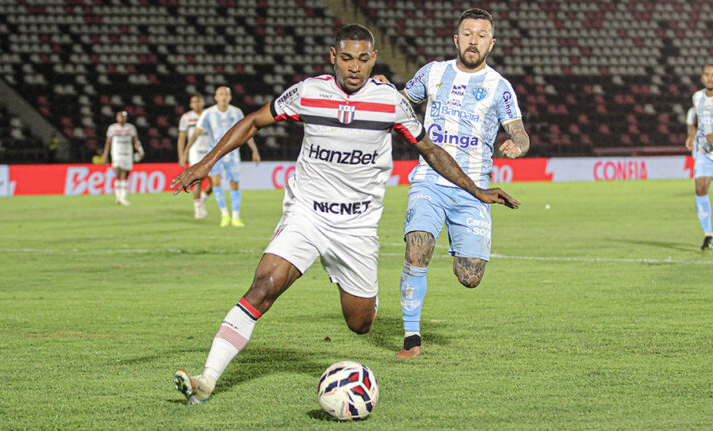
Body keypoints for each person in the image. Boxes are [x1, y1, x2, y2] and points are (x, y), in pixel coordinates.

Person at [170, 24, 519, 405]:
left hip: (356, 227)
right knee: (264, 285)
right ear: (333, 57)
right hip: (307, 215)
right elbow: (254, 120)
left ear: (373, 59)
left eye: (363, 59)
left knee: (360, 323)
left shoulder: (390, 102)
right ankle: (207, 379)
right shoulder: (308, 93)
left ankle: (363, 295)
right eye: (347, 58)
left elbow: (430, 150)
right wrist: (205, 163)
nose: (355, 67)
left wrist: (476, 190)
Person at [393, 8, 531, 358]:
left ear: (491, 44)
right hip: (429, 180)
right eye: (468, 33)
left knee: (470, 276)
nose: (474, 40)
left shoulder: (499, 87)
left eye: (481, 35)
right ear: (456, 39)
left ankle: (454, 248)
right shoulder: (433, 73)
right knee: (417, 250)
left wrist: (517, 145)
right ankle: (411, 338)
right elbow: (400, 102)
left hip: (473, 190)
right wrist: (381, 93)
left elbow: (520, 132)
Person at [188, 86, 262, 227]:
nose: (223, 97)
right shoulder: (208, 113)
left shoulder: (236, 112)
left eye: (226, 94)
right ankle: (224, 215)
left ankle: (236, 217)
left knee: (234, 184)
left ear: (230, 97)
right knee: (216, 182)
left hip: (232, 154)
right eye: (220, 94)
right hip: (215, 154)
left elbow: (246, 132)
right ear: (216, 97)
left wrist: (254, 150)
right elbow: (196, 132)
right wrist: (186, 150)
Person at [684, 64, 713, 250]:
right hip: (704, 152)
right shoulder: (697, 97)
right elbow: (694, 117)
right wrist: (691, 134)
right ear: (702, 77)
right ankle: (708, 234)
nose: (710, 78)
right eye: (707, 74)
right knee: (700, 188)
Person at [178, 94, 213, 219]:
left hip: (210, 151)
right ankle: (197, 209)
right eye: (194, 102)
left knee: (215, 182)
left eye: (199, 101)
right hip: (195, 152)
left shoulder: (210, 115)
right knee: (198, 180)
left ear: (203, 103)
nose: (196, 104)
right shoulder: (186, 117)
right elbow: (182, 137)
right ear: (190, 104)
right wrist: (182, 155)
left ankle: (201, 200)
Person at [102, 110, 143, 205]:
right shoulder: (112, 128)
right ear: (117, 118)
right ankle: (118, 197)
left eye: (124, 117)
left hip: (128, 154)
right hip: (117, 153)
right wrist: (105, 155)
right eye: (120, 116)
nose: (122, 118)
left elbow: (135, 140)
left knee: (125, 174)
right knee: (117, 173)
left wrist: (140, 150)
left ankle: (122, 197)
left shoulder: (131, 128)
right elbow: (108, 143)